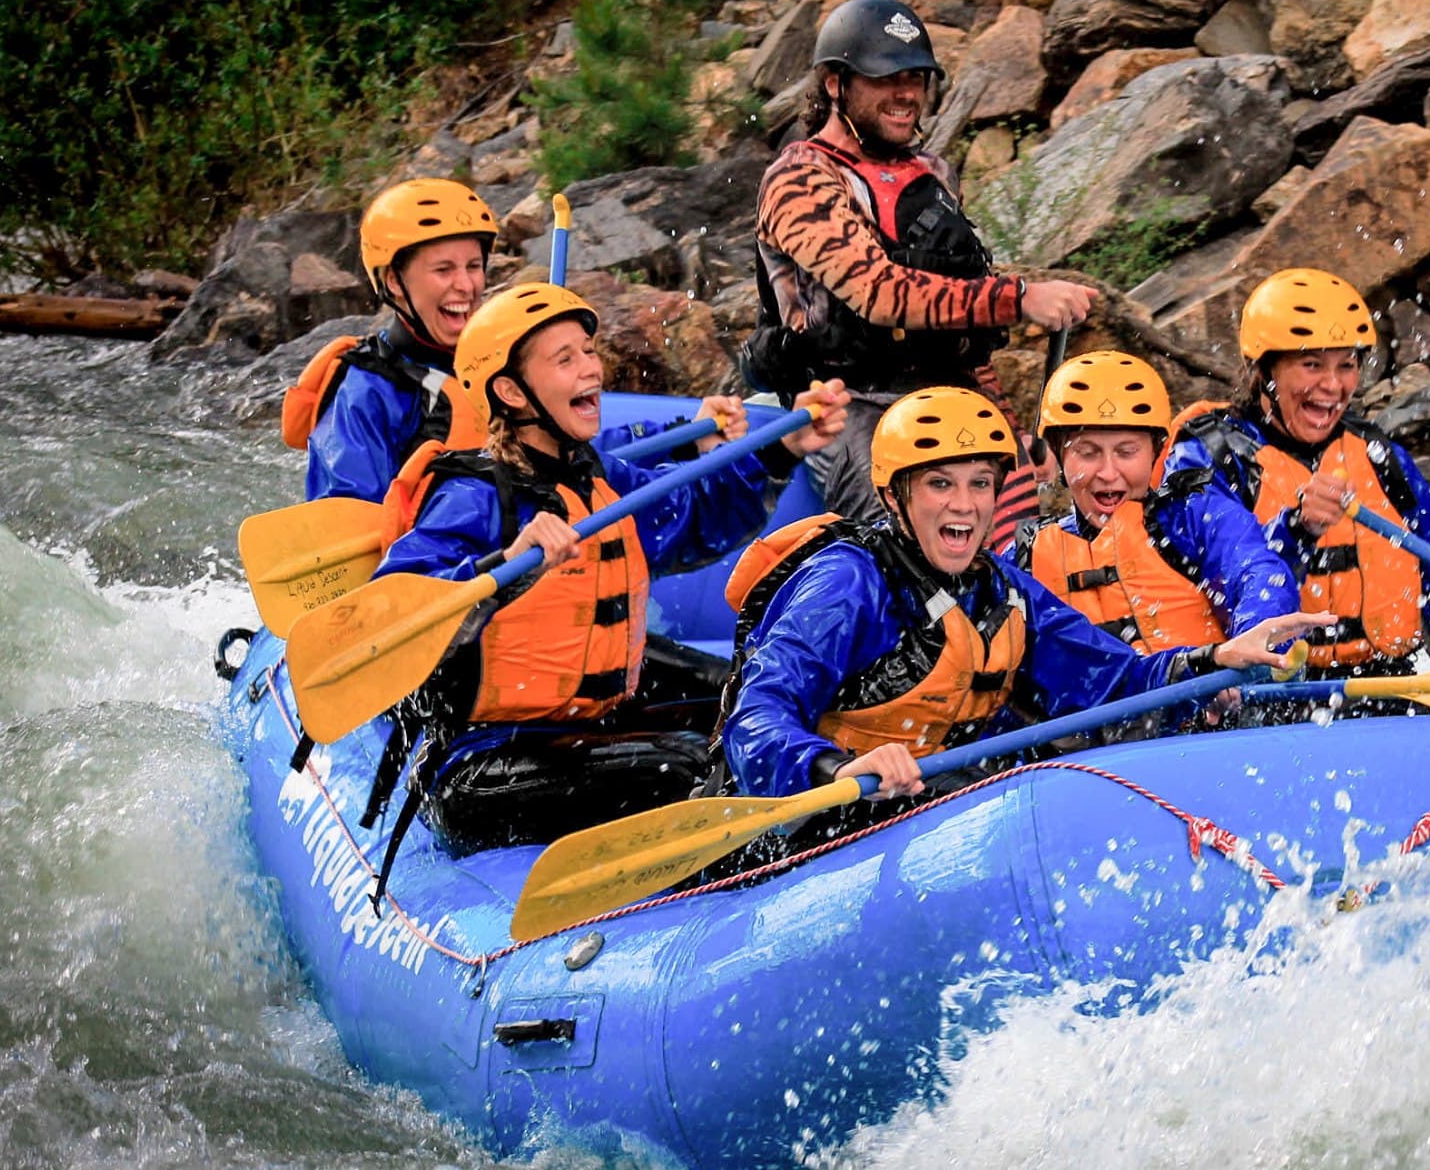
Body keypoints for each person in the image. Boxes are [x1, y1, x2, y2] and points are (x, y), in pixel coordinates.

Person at [369, 281, 850, 857]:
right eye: (565, 359)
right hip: (482, 767)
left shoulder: (595, 478)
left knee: (749, 699)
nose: (590, 370)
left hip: (588, 724)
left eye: (589, 352)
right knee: (683, 768)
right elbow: (388, 619)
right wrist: (503, 567)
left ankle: (848, 808)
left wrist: (780, 449)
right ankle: (777, 860)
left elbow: (692, 518)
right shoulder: (475, 499)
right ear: (511, 391)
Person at [716, 386, 1323, 803]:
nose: (963, 504)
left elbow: (1113, 684)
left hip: (924, 814)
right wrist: (834, 770)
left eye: (980, 483)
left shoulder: (1003, 592)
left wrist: (1213, 662)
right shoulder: (847, 584)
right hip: (811, 825)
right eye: (939, 484)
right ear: (895, 497)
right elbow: (759, 715)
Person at [741, 0, 1098, 528]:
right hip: (848, 405)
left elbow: (962, 324)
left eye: (915, 78)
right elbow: (877, 292)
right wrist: (1020, 299)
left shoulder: (933, 174)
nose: (906, 93)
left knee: (1025, 549)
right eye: (886, 79)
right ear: (836, 84)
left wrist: (1010, 423)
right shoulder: (800, 178)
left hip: (953, 390)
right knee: (912, 549)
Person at [1162, 268, 1430, 679]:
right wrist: (1298, 531)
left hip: (1384, 685)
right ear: (1265, 372)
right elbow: (1227, 578)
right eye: (1311, 364)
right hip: (1266, 694)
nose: (1333, 385)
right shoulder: (1207, 458)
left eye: (1347, 365)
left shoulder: (1377, 456)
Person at [1010, 351, 1297, 651]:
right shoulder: (1026, 556)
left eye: (1126, 452)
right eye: (1088, 452)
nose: (1108, 473)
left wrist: (1257, 636)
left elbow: (1257, 571)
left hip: (1210, 694)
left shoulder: (1191, 516)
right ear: (1059, 456)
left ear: (1156, 453)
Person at [284, 178, 499, 503]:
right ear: (394, 281)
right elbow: (347, 514)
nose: (466, 286)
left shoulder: (510, 356)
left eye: (474, 266)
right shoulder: (366, 394)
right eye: (444, 270)